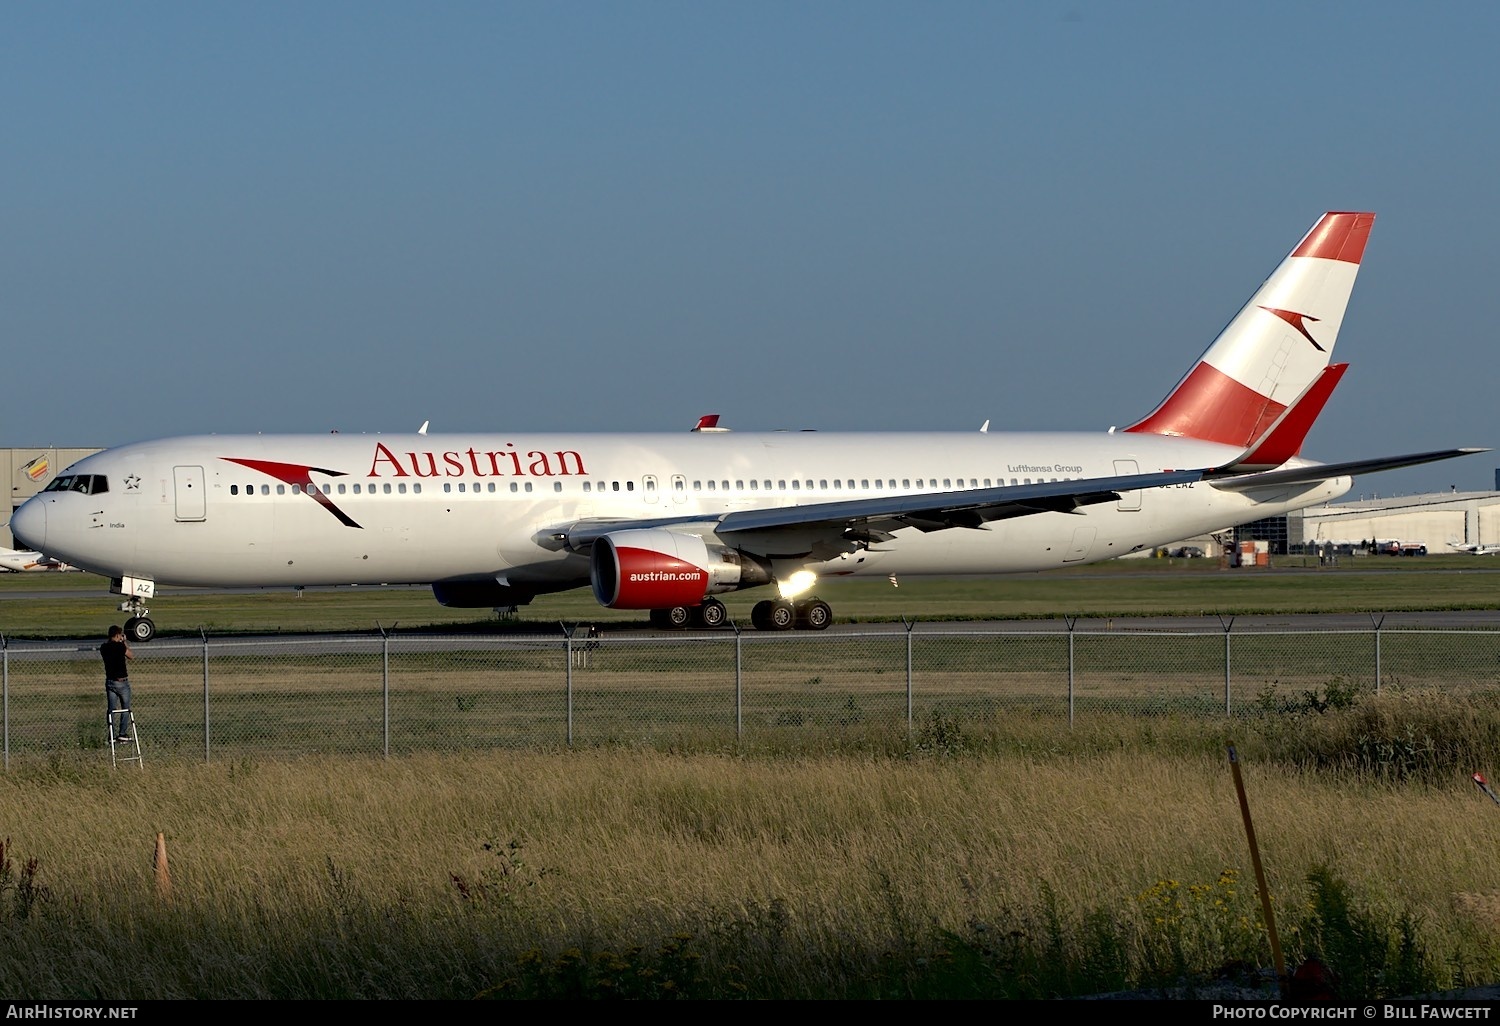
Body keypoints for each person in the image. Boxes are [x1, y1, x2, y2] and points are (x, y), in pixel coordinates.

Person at [100, 625, 134, 742]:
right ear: (118, 635)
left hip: (110, 682)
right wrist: (124, 642)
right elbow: (130, 656)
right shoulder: (120, 646)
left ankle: (111, 735)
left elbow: (108, 645)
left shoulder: (104, 647)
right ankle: (122, 733)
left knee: (111, 709)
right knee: (125, 708)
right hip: (122, 682)